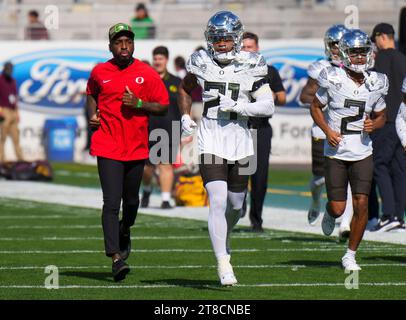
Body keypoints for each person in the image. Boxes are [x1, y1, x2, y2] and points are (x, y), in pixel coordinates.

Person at [178, 11, 275, 285]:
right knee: (217, 200)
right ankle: (223, 261)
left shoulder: (252, 63)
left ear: (237, 38)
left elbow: (268, 105)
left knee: (235, 204)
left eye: (226, 38)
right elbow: (184, 89)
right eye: (216, 38)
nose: (221, 43)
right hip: (211, 139)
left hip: (242, 141)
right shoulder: (201, 61)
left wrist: (239, 106)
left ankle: (225, 236)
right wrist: (185, 115)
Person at [86, 23, 169, 282]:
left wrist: (140, 103)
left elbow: (163, 107)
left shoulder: (147, 72)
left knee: (131, 202)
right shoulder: (100, 71)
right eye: (119, 42)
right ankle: (115, 258)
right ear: (110, 46)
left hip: (136, 148)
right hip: (107, 145)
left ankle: (125, 229)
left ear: (133, 45)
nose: (124, 46)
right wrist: (93, 114)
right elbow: (91, 93)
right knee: (111, 203)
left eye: (128, 42)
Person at [310, 29, 388, 270]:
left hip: (363, 150)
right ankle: (329, 213)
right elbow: (315, 107)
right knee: (338, 207)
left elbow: (382, 114)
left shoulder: (376, 82)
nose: (359, 58)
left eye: (363, 53)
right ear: (344, 54)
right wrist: (327, 131)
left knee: (362, 203)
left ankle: (350, 255)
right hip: (336, 151)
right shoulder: (333, 78)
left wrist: (374, 123)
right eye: (354, 54)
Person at [300, 24, 354, 241]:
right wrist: (327, 102)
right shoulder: (320, 68)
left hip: (348, 133)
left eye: (340, 45)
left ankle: (345, 223)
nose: (336, 48)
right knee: (320, 179)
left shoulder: (356, 68)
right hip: (322, 131)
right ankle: (315, 201)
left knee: (349, 179)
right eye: (333, 44)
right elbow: (305, 97)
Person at [241, 31, 286, 233]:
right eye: (243, 47)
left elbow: (283, 97)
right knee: (239, 173)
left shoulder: (269, 71)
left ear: (257, 48)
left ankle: (256, 219)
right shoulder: (235, 70)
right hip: (240, 127)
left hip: (260, 129)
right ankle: (238, 205)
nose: (246, 50)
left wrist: (268, 99)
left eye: (249, 47)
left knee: (260, 178)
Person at [369, 23, 406, 231]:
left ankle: (389, 214)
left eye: (376, 40)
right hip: (402, 122)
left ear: (382, 37)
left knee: (380, 166)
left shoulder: (383, 58)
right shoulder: (403, 58)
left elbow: (377, 88)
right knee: (400, 170)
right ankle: (399, 218)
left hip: (386, 121)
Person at [141, 46, 182, 209]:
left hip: (170, 127)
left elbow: (184, 105)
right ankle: (147, 189)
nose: (158, 62)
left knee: (166, 164)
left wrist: (186, 130)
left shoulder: (177, 82)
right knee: (147, 167)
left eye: (161, 58)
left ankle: (165, 199)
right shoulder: (146, 80)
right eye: (155, 59)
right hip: (149, 127)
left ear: (166, 60)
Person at [0, 62, 24, 163]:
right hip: (3, 110)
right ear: (4, 69)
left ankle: (21, 160)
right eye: (8, 69)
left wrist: (17, 112)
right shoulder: (0, 80)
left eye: (11, 69)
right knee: (2, 137)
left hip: (13, 111)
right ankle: (1, 160)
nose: (9, 71)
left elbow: (15, 97)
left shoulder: (13, 81)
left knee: (16, 137)